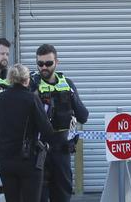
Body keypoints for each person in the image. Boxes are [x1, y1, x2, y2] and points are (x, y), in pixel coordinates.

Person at [30, 44, 89, 202]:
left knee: (62, 195)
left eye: (48, 63)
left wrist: (70, 96)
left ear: (57, 62)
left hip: (62, 150)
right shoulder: (31, 84)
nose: (44, 67)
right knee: (38, 196)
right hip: (38, 151)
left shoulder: (67, 84)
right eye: (40, 63)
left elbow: (83, 116)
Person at [0, 64, 54, 202]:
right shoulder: (32, 99)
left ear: (9, 79)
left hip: (5, 159)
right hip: (28, 159)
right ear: (27, 80)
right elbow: (47, 130)